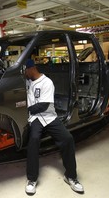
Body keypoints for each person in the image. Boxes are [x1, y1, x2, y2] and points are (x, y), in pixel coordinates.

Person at [24, 59, 84, 195]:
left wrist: (26, 108)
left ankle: (71, 177)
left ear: (31, 69)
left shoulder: (47, 82)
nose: (24, 74)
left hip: (49, 116)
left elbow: (43, 105)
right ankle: (32, 179)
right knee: (33, 140)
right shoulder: (28, 81)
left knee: (67, 138)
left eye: (25, 71)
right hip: (36, 119)